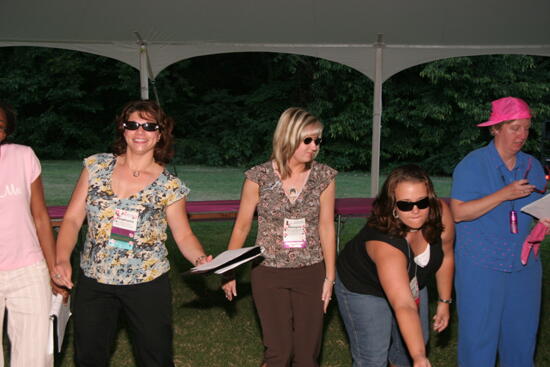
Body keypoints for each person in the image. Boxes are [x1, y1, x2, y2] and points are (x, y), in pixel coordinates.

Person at [52, 100, 212, 367]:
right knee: (89, 358)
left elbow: (184, 236)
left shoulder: (169, 186)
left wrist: (200, 259)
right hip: (95, 280)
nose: (141, 132)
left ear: (160, 134)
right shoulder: (96, 167)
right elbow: (71, 219)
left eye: (150, 126)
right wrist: (61, 258)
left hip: (146, 283)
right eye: (133, 124)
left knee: (156, 358)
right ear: (122, 129)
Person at [221, 107, 337, 367]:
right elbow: (241, 227)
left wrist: (330, 276)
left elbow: (327, 227)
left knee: (307, 356)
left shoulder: (324, 177)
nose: (314, 146)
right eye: (307, 140)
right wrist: (229, 270)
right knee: (278, 353)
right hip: (268, 272)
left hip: (311, 271)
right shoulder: (258, 177)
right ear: (288, 137)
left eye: (318, 140)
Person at [451, 96, 550, 367]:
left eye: (527, 128)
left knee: (521, 341)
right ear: (496, 128)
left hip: (524, 266)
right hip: (481, 266)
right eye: (515, 128)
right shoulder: (472, 165)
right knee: (478, 341)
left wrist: (544, 222)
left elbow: (535, 212)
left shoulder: (533, 167)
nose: (522, 135)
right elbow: (458, 212)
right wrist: (504, 194)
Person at [335, 164, 454, 367]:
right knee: (373, 358)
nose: (416, 211)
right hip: (363, 286)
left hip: (411, 279)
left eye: (422, 202)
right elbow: (404, 305)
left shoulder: (440, 214)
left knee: (414, 343)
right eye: (406, 205)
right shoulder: (385, 245)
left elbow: (447, 256)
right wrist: (419, 357)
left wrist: (444, 300)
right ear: (393, 206)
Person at [0, 101, 67, 366]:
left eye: (0, 126)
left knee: (36, 356)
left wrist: (54, 271)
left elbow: (40, 217)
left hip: (28, 270)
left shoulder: (22, 156)